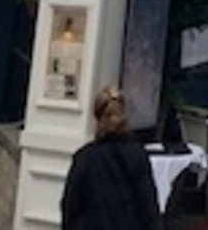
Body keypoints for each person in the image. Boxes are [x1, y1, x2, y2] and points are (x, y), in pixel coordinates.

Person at [60, 85, 161, 230]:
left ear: (98, 117)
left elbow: (70, 208)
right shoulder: (138, 155)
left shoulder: (85, 158)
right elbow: (149, 206)